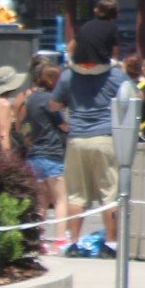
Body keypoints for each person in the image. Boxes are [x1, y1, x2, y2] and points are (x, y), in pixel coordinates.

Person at [55, 41, 124, 258]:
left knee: (76, 195)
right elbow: (134, 98)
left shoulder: (67, 76)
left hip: (77, 138)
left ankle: (73, 242)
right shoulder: (115, 75)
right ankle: (111, 243)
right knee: (110, 193)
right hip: (105, 137)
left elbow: (54, 104)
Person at [20, 59, 69, 252]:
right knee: (60, 199)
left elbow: (25, 125)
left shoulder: (30, 99)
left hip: (34, 154)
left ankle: (37, 240)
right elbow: (63, 125)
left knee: (40, 201)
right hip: (53, 152)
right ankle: (59, 240)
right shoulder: (52, 101)